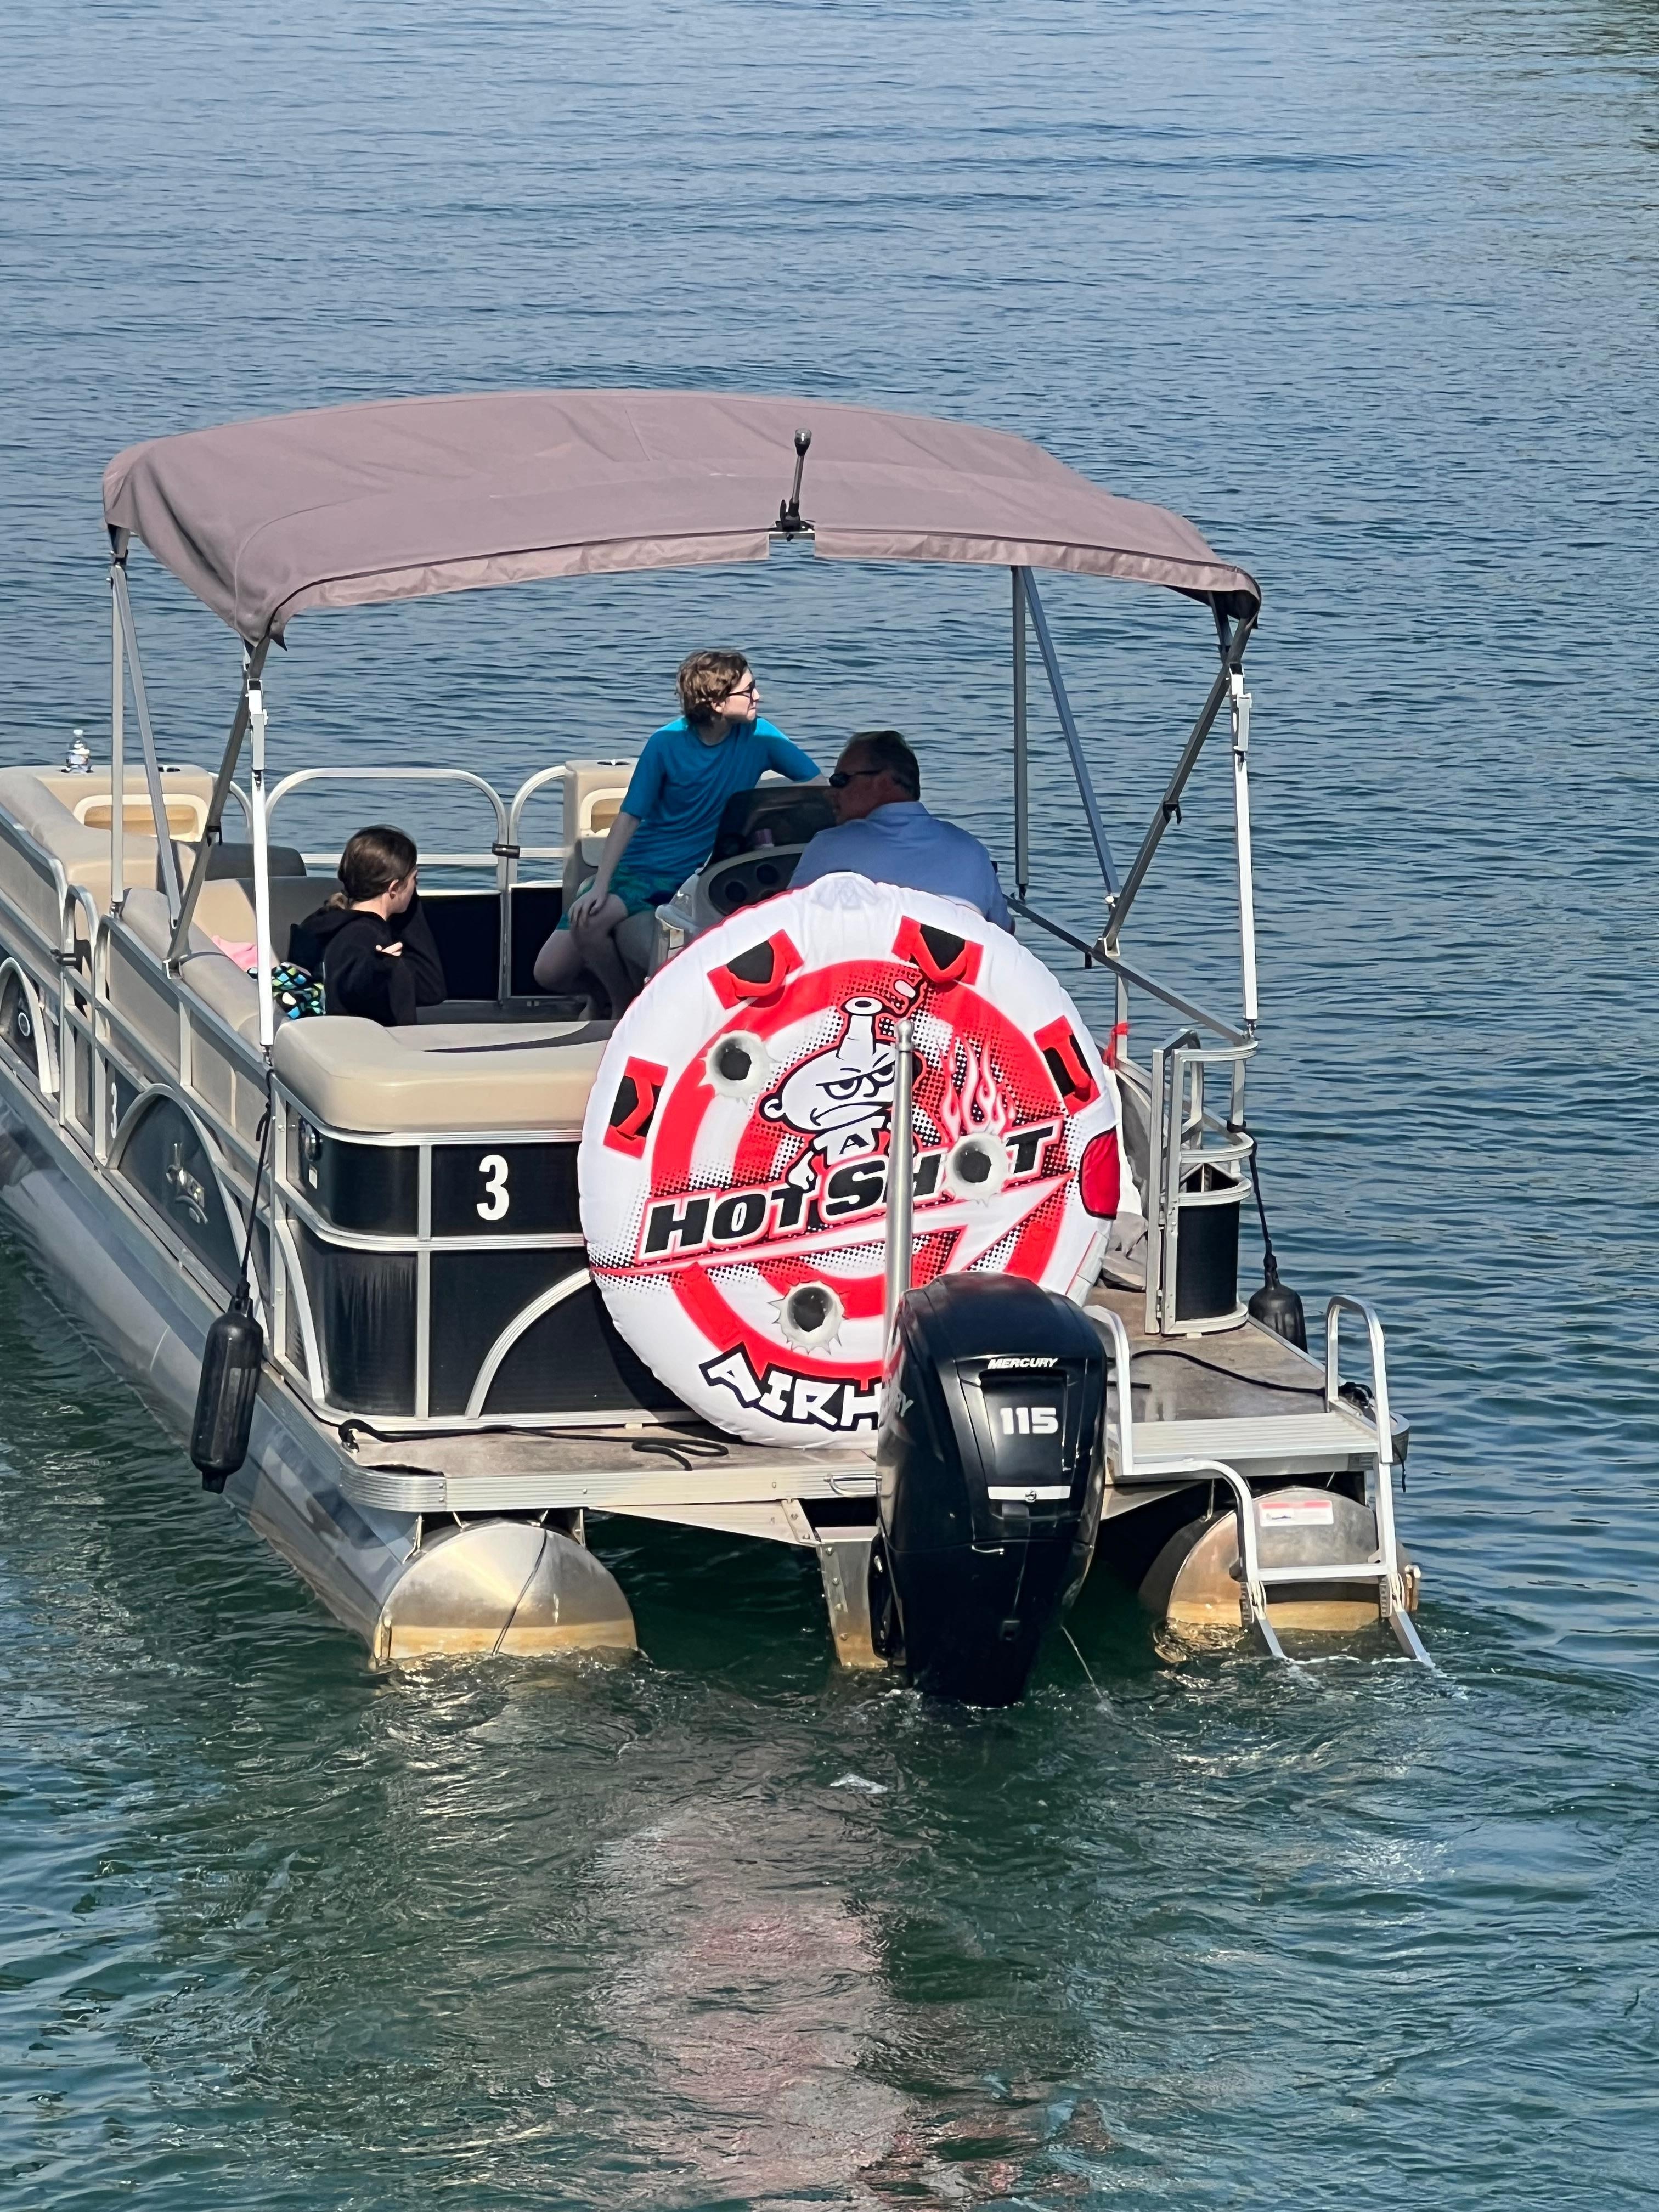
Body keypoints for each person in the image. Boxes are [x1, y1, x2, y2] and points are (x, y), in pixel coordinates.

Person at [533, 651, 819, 1012]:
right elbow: (628, 818)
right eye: (748, 691)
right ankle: (612, 995)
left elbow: (817, 785)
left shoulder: (762, 737)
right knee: (550, 971)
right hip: (641, 871)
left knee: (594, 927)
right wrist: (601, 885)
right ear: (716, 702)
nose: (758, 697)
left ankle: (622, 1010)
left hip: (694, 878)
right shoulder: (665, 744)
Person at [789, 729, 1011, 928]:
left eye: (840, 780)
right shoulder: (972, 851)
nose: (830, 792)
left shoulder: (829, 847)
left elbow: (789, 919)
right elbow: (1004, 931)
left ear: (885, 782)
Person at [290, 826, 448, 1026]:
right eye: (414, 880)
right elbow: (431, 989)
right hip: (376, 1049)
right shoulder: (367, 939)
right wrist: (386, 969)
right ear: (394, 888)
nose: (415, 887)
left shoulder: (322, 922)